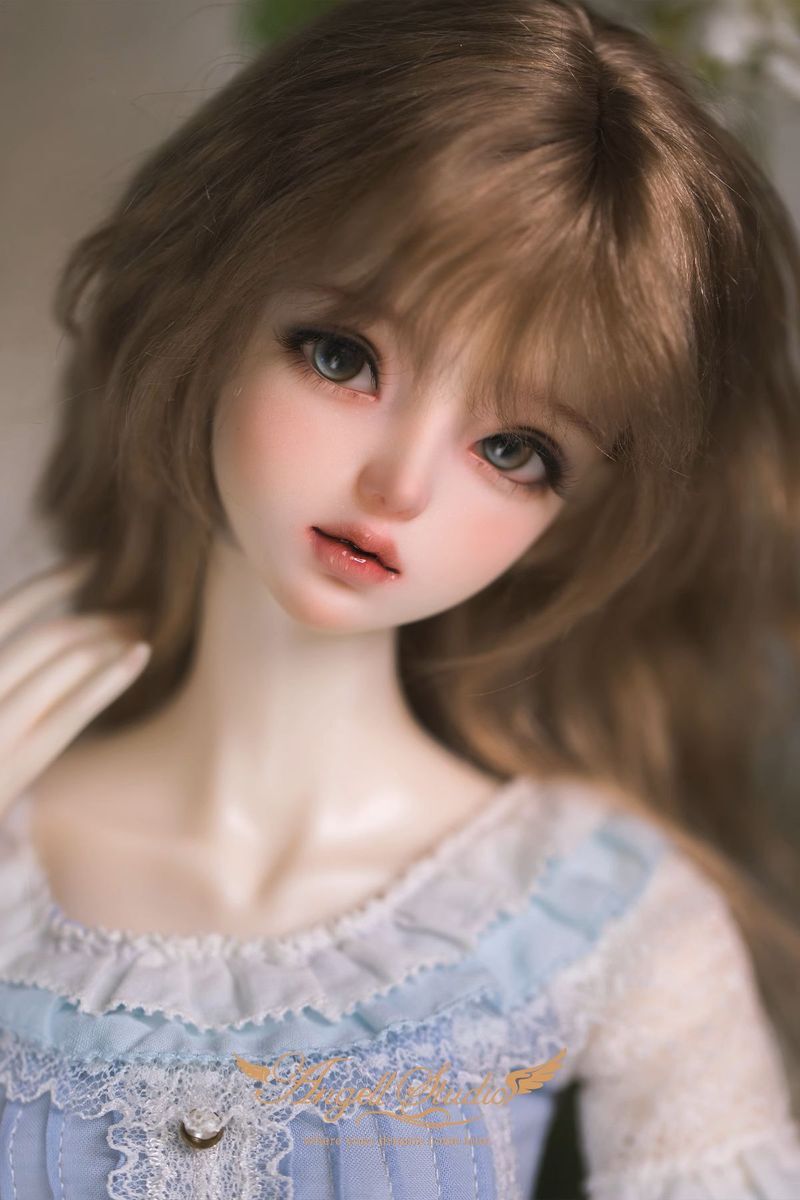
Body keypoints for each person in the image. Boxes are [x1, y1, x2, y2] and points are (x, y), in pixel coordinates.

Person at [0, 0, 799, 1195]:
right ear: (210, 310)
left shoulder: (595, 913)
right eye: (341, 356)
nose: (400, 486)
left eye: (515, 449)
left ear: (575, 516)